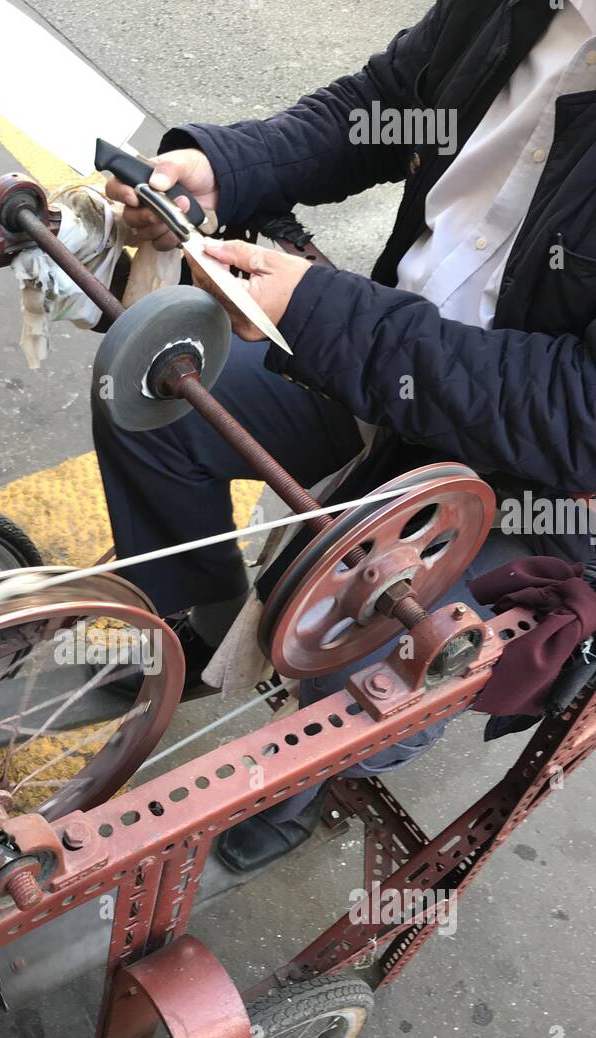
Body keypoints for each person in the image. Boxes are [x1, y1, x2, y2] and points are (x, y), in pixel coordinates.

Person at [95, 0, 596, 873]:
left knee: (368, 654)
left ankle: (303, 779)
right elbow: (393, 98)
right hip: (380, 362)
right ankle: (200, 633)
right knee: (148, 404)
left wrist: (330, 318)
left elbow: (580, 413)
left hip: (543, 486)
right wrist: (225, 167)